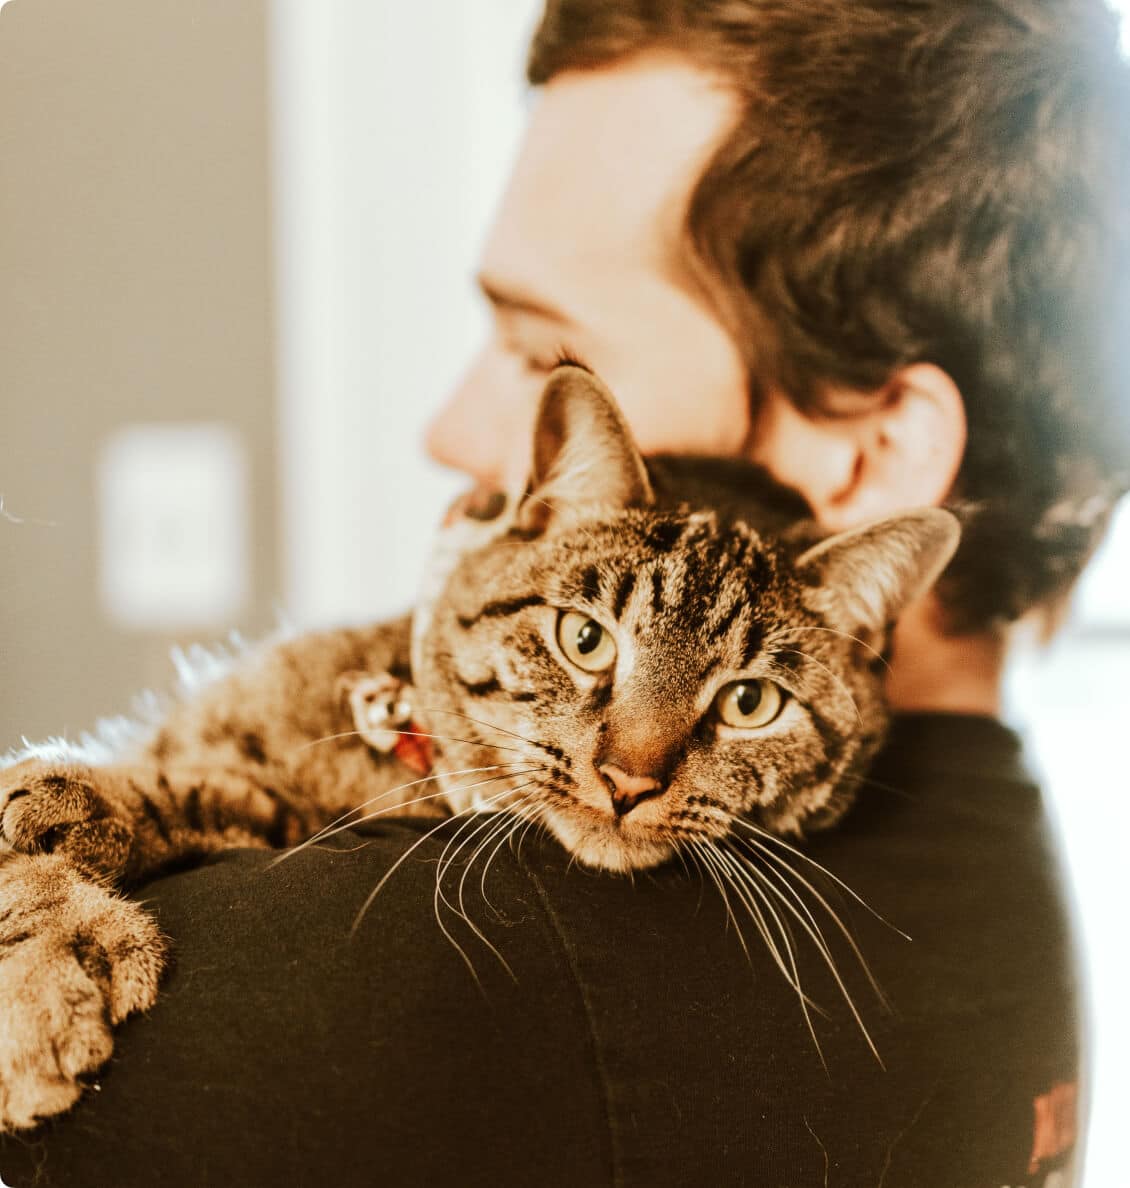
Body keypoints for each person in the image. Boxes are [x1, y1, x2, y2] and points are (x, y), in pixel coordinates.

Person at [1, 2, 1127, 1185]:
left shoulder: (371, 983)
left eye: (548, 354)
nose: (449, 433)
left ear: (875, 457)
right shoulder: (996, 867)